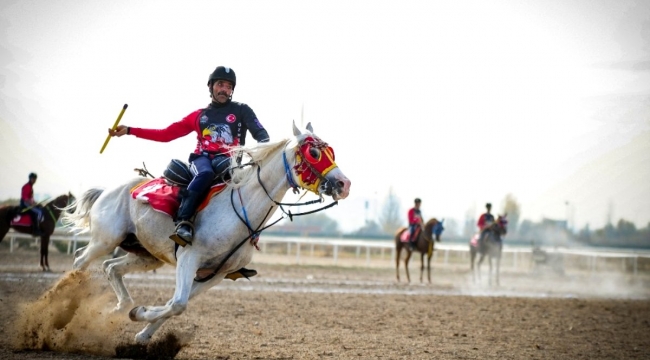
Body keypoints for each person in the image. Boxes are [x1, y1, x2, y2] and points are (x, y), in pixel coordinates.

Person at [108, 65, 270, 247]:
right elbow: (165, 134)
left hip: (229, 163)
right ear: (211, 87)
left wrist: (263, 151)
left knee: (254, 185)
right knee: (206, 174)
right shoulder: (198, 116)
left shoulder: (242, 110)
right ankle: (183, 222)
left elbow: (261, 134)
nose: (224, 89)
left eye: (228, 86)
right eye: (220, 84)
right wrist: (130, 130)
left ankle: (251, 233)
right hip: (202, 160)